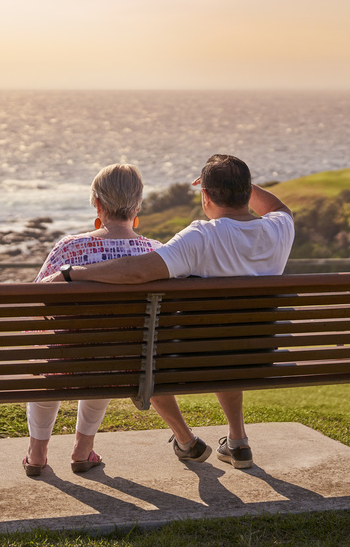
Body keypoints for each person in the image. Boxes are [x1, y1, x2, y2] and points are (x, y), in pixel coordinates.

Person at [42, 154, 295, 470]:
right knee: (230, 339)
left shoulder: (201, 236)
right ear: (246, 193)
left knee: (145, 349)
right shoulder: (280, 229)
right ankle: (238, 440)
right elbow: (278, 208)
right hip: (259, 354)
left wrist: (72, 273)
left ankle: (186, 439)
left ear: (205, 196)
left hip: (194, 362)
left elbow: (138, 271)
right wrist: (239, 183)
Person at [23, 163, 161, 477]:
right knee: (107, 353)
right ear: (137, 205)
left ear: (97, 204)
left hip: (65, 362)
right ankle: (83, 450)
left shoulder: (69, 249)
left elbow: (35, 304)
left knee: (52, 355)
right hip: (121, 367)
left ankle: (37, 453)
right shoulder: (156, 253)